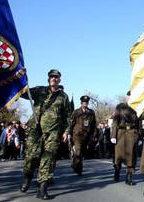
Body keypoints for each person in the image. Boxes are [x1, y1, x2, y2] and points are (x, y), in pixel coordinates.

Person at [19, 69, 71, 200]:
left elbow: (67, 116)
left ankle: (42, 188)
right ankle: (27, 178)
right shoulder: (39, 90)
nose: (54, 79)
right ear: (49, 79)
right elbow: (23, 93)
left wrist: (66, 131)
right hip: (35, 130)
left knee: (48, 159)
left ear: (60, 80)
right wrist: (20, 79)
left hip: (53, 132)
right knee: (32, 157)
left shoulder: (63, 97)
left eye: (57, 77)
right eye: (52, 77)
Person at [111, 91, 139, 185]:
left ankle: (129, 177)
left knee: (131, 157)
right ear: (127, 97)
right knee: (118, 156)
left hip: (132, 133)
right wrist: (113, 135)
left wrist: (139, 136)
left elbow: (139, 123)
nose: (131, 97)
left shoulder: (138, 107)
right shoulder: (121, 107)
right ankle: (117, 172)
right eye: (129, 95)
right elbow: (115, 121)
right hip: (121, 133)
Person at [70, 95, 96, 176]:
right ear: (81, 103)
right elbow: (71, 123)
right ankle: (78, 168)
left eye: (86, 102)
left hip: (86, 136)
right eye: (84, 102)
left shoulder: (91, 112)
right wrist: (69, 134)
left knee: (82, 153)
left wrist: (93, 135)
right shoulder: (76, 112)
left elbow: (93, 124)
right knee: (78, 151)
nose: (85, 104)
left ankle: (75, 164)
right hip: (77, 135)